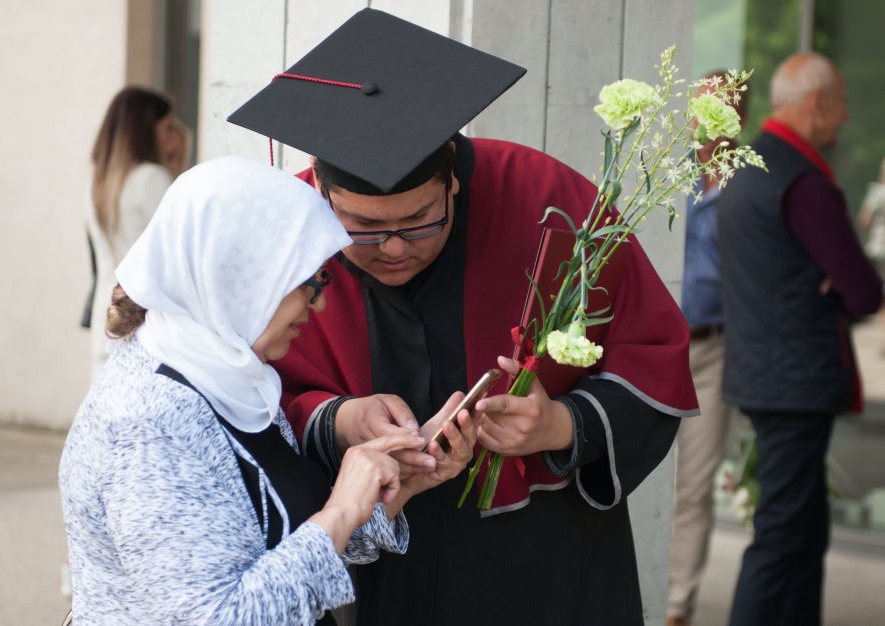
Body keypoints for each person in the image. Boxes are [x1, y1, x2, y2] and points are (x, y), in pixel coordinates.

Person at [228, 9, 698, 625]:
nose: (394, 247)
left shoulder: (548, 204)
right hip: (372, 568)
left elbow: (652, 356)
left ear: (453, 177)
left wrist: (560, 425)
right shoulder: (286, 237)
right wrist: (341, 420)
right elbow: (240, 398)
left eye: (420, 219)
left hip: (540, 560)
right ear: (321, 193)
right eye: (363, 228)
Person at [58, 157, 477, 625]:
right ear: (241, 277)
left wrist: (401, 482)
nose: (317, 303)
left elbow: (282, 541)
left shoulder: (230, 375)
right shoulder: (149, 424)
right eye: (305, 282)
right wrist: (340, 509)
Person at [719, 52, 883, 626]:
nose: (846, 116)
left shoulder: (748, 168)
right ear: (816, 105)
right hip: (795, 385)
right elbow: (864, 291)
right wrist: (838, 280)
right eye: (840, 103)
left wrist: (828, 279)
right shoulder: (805, 182)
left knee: (803, 530)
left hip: (760, 373)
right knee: (783, 536)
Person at [666, 72, 748, 626]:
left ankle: (676, 609)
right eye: (705, 101)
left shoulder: (748, 181)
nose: (713, 111)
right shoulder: (667, 170)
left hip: (715, 349)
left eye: (726, 101)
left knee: (695, 485)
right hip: (660, 347)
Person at [85, 86, 189, 374]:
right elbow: (181, 249)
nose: (173, 135)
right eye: (166, 127)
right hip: (145, 318)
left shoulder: (99, 181)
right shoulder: (151, 179)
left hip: (106, 315)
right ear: (144, 129)